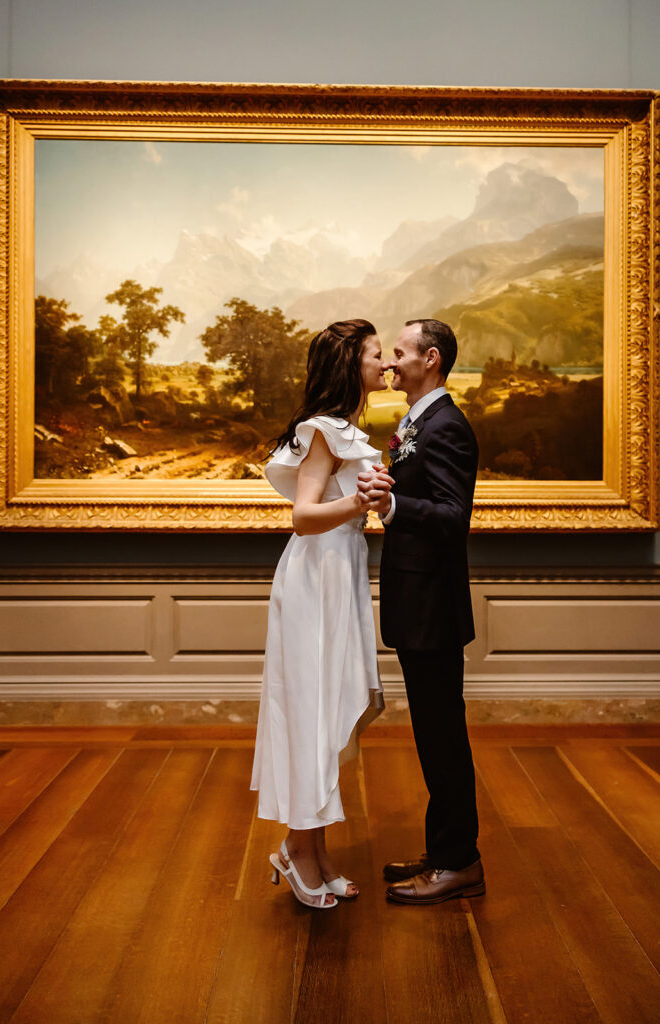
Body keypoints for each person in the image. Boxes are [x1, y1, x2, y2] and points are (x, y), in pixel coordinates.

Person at [251, 318, 392, 909]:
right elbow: (303, 516)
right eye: (375, 356)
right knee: (310, 713)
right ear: (348, 365)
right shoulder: (320, 432)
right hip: (316, 581)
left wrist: (372, 501)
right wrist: (356, 501)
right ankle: (298, 851)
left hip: (339, 574)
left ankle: (310, 849)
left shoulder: (345, 429)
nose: (384, 366)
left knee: (325, 710)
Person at [358, 318, 485, 905]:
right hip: (419, 603)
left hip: (432, 606)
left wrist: (394, 501)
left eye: (401, 354)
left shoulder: (446, 426)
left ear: (430, 360)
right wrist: (397, 492)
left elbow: (453, 519)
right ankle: (443, 851)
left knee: (442, 737)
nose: (390, 364)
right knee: (433, 736)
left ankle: (458, 864)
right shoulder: (417, 421)